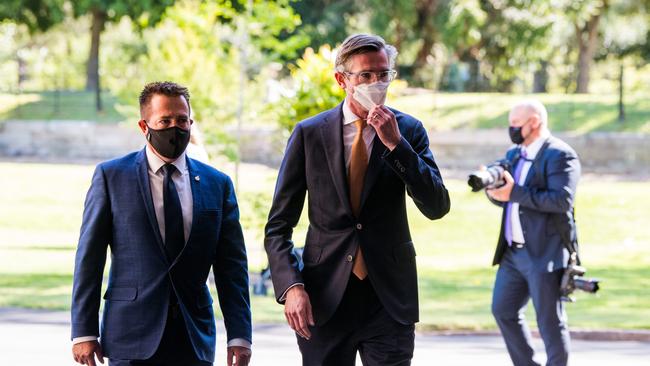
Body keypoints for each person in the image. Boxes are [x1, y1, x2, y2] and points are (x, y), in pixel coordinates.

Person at [264, 34, 450, 366]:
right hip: (325, 298)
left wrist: (396, 146)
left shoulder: (409, 130)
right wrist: (291, 287)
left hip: (389, 298)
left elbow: (437, 206)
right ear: (342, 80)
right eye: (366, 75)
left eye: (384, 74)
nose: (376, 83)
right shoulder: (309, 133)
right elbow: (278, 226)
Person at [71, 81, 252, 366]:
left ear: (190, 123)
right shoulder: (111, 177)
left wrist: (239, 336)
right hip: (129, 336)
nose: (175, 128)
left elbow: (232, 267)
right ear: (145, 127)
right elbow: (89, 259)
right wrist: (83, 331)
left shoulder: (218, 184)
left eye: (182, 120)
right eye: (164, 120)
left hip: (194, 338)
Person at [485, 100, 581, 366]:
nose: (511, 129)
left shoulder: (561, 155)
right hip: (513, 253)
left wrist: (514, 193)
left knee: (550, 321)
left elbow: (562, 200)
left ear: (535, 122)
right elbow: (507, 198)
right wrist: (495, 192)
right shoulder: (515, 154)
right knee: (503, 310)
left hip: (545, 253)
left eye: (516, 124)